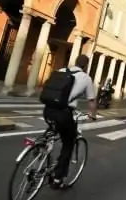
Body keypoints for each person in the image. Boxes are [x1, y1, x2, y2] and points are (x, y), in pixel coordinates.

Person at [41, 54, 97, 189]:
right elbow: (92, 100)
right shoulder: (86, 78)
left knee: (53, 130)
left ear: (75, 62)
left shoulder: (61, 71)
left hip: (48, 109)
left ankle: (41, 148)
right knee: (68, 143)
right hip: (64, 114)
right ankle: (57, 179)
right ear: (86, 65)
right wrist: (92, 115)